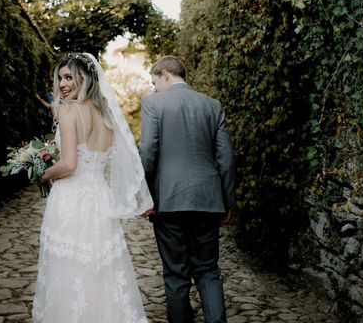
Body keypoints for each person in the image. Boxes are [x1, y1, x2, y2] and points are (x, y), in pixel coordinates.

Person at [32, 52, 154, 323]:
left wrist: (44, 174)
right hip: (100, 198)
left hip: (71, 201)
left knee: (69, 267)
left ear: (85, 79)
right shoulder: (106, 114)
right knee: (101, 269)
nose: (62, 84)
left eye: (69, 77)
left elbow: (69, 164)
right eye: (60, 78)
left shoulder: (68, 110)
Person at [139, 56, 236, 323]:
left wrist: (145, 195)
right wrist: (227, 201)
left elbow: (147, 151)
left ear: (165, 75)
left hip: (168, 201)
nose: (153, 87)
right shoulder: (212, 105)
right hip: (208, 200)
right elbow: (226, 157)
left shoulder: (153, 104)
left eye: (154, 81)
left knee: (175, 272)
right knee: (208, 270)